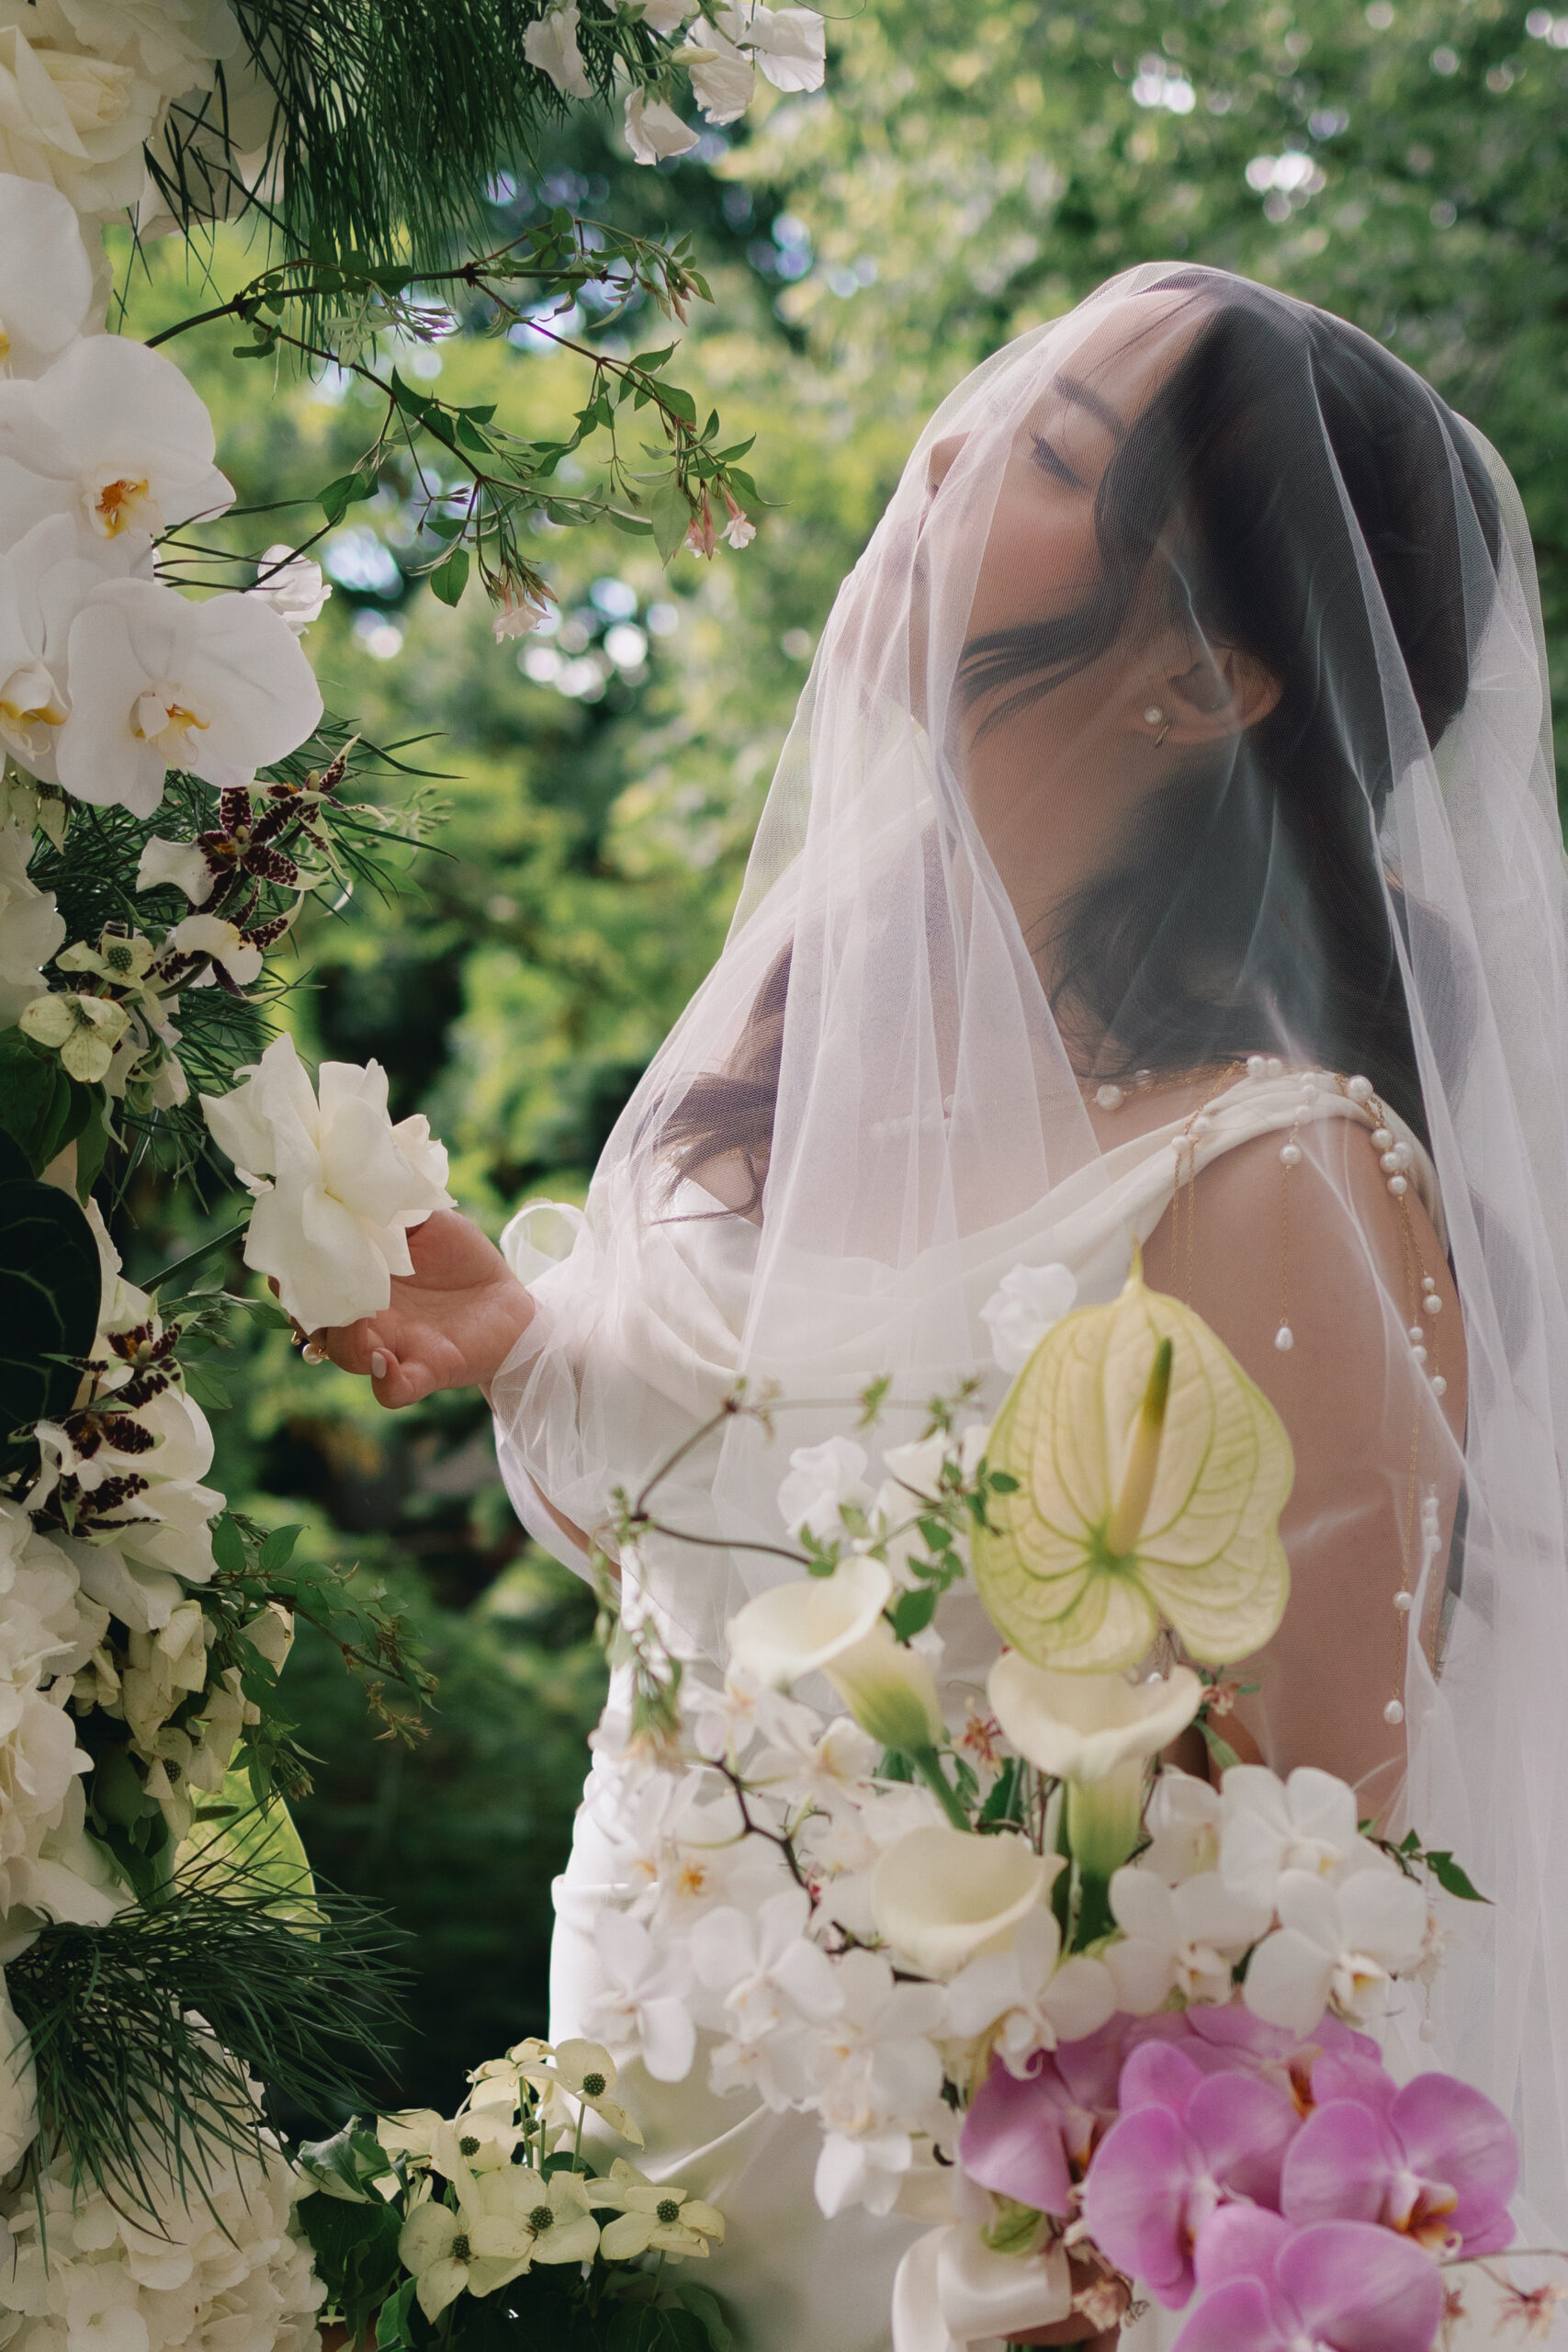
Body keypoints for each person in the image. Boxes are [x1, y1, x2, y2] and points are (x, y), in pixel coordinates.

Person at [309, 265, 1568, 2350]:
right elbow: (716, 1573)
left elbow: (1302, 1886)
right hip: (622, 2116)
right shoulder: (820, 1020)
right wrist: (526, 1347)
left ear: (1205, 680)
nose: (943, 442)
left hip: (944, 2242)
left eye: (1048, 451)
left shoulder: (1270, 1176)